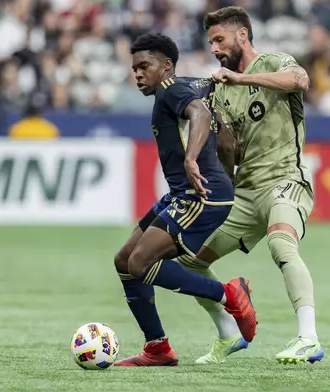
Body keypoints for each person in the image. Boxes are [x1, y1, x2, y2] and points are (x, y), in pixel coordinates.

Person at [112, 33, 257, 367]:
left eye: (143, 66)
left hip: (199, 195)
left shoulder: (171, 90)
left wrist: (192, 159)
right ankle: (158, 349)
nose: (137, 74)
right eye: (133, 68)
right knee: (124, 260)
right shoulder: (191, 85)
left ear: (166, 65)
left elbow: (201, 117)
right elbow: (219, 123)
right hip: (188, 193)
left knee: (140, 263)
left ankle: (230, 294)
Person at [190, 6, 323, 365]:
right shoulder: (222, 91)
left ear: (242, 36)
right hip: (244, 193)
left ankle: (308, 338)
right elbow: (230, 146)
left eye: (219, 39)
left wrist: (242, 80)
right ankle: (227, 332)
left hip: (286, 179)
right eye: (211, 42)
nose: (215, 48)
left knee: (282, 244)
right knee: (188, 259)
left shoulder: (275, 62)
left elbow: (300, 81)